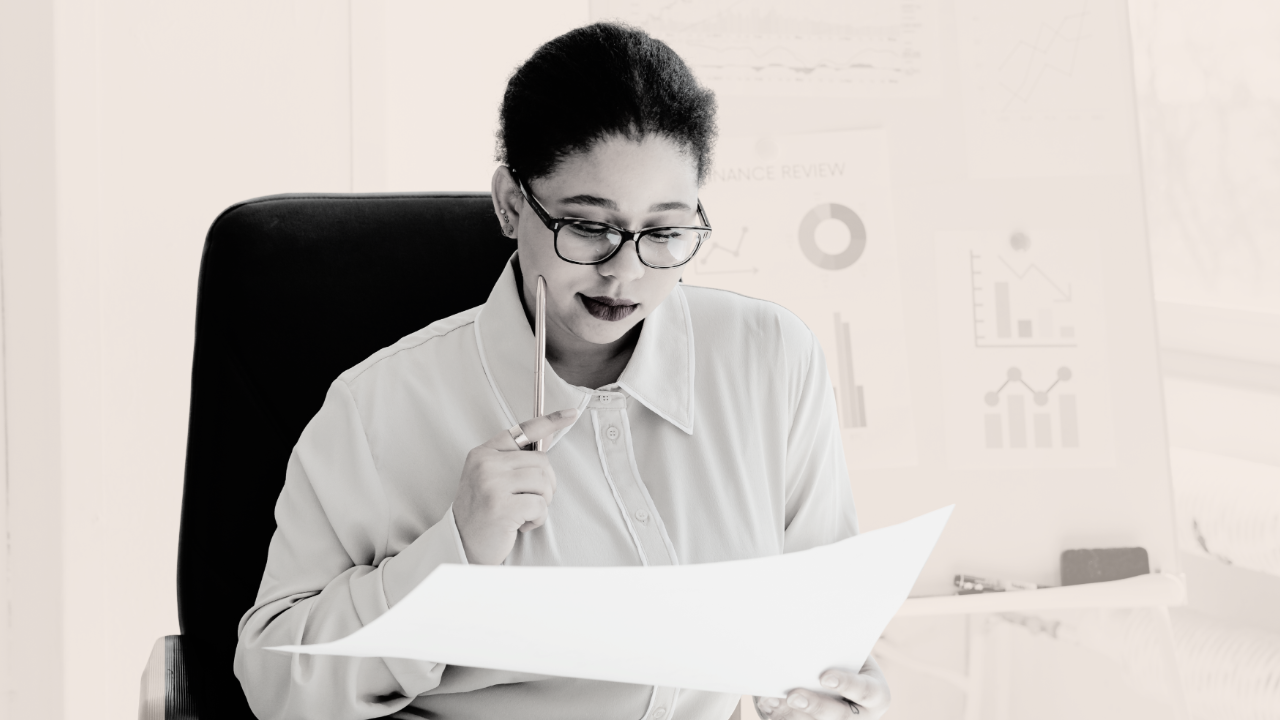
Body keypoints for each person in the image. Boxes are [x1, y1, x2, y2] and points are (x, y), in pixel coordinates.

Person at [234, 21, 890, 720]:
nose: (625, 271)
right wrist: (453, 553)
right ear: (512, 204)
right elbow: (275, 678)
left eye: (664, 232)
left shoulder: (772, 359)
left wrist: (842, 690)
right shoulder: (378, 409)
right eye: (588, 227)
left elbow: (824, 623)